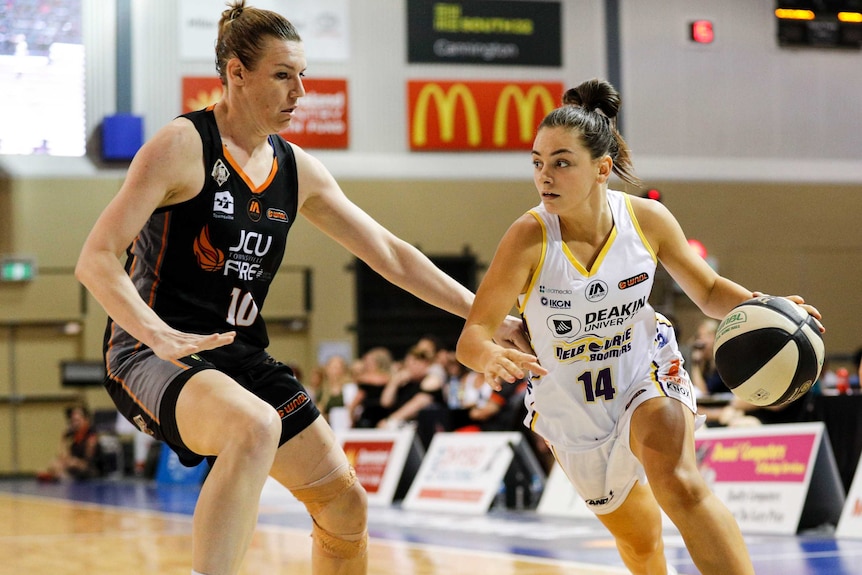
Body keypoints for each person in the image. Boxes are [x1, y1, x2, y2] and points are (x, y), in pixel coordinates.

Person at [73, 3, 527, 574]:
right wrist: (155, 332)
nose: (300, 91)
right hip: (149, 352)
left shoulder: (297, 169)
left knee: (345, 506)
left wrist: (487, 319)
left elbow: (391, 256)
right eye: (284, 75)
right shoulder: (181, 146)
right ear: (237, 72)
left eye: (303, 75)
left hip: (237, 354)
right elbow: (95, 259)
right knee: (254, 425)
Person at [456, 78, 825, 575]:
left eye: (562, 162)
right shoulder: (527, 237)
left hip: (644, 370)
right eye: (538, 162)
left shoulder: (647, 220)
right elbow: (472, 337)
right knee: (640, 543)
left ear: (601, 168)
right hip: (572, 407)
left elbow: (710, 291)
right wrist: (489, 356)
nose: (545, 176)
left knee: (680, 484)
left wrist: (767, 307)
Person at [38, 404, 103, 482]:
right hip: (75, 468)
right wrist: (64, 440)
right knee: (54, 464)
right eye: (73, 421)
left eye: (77, 420)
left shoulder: (91, 436)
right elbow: (63, 455)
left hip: (90, 471)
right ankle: (58, 477)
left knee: (60, 471)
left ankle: (61, 479)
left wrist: (75, 463)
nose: (75, 423)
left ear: (86, 420)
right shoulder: (72, 436)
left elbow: (87, 463)